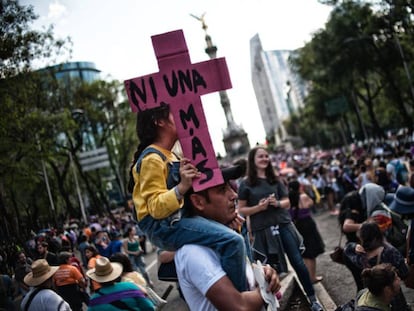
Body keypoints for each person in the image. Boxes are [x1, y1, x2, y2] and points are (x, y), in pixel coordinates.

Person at [128, 104, 247, 291]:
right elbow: (155, 208)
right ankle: (239, 299)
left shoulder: (172, 155)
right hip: (163, 226)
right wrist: (182, 186)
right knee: (232, 241)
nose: (181, 115)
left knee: (238, 226)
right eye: (174, 113)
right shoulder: (152, 158)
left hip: (177, 219)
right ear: (159, 121)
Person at [175, 165, 281, 310]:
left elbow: (245, 282)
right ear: (198, 202)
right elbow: (239, 307)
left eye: (230, 188)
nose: (234, 195)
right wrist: (267, 290)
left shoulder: (228, 235)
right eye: (222, 190)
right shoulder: (193, 252)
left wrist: (264, 274)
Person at [238, 146, 323, 311]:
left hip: (283, 224)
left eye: (266, 156)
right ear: (252, 160)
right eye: (260, 156)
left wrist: (276, 203)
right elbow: (241, 210)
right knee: (268, 270)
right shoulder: (246, 184)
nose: (264, 159)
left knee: (298, 262)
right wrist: (259, 207)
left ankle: (313, 300)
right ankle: (273, 306)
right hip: (262, 229)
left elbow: (287, 202)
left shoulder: (275, 179)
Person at [344, 221, 409, 310]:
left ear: (362, 237)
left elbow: (347, 249)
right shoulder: (389, 251)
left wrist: (355, 246)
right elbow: (404, 273)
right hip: (395, 299)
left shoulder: (361, 255)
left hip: (373, 297)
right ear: (378, 233)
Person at [288, 179, 325, 283]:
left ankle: (308, 276)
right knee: (311, 252)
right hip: (307, 224)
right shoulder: (303, 196)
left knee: (304, 251)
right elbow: (311, 203)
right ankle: (312, 277)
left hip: (297, 225)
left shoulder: (289, 199)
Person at [86, 256, 155, 310]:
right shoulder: (131, 287)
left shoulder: (94, 301)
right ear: (114, 275)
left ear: (96, 280)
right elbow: (149, 307)